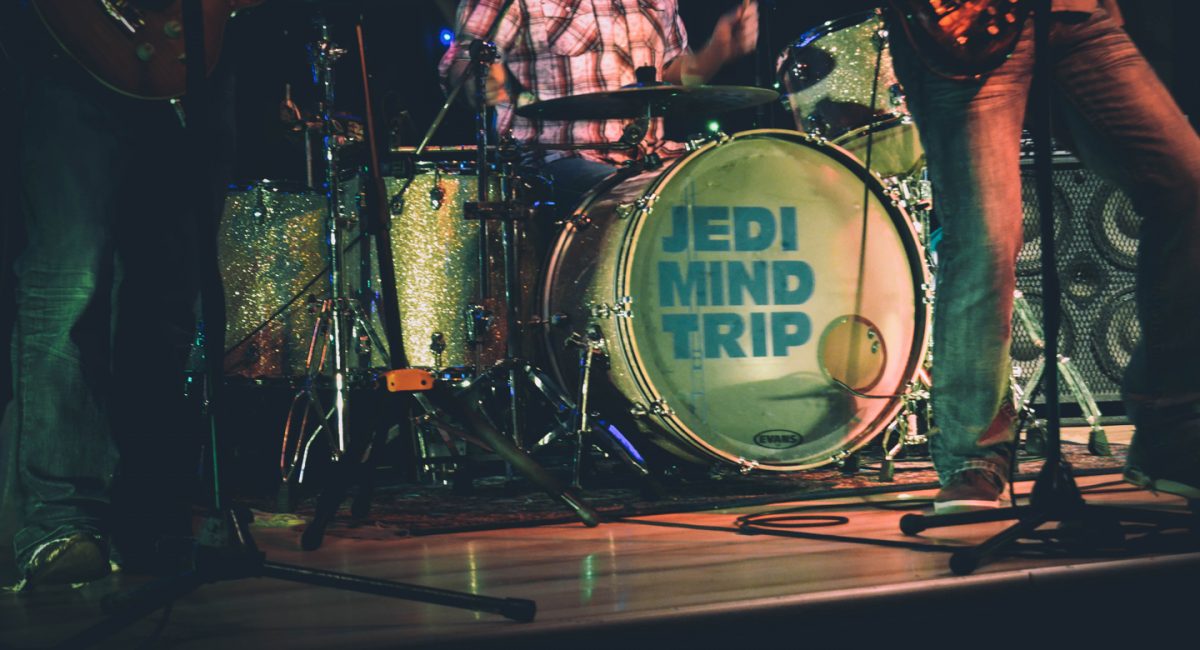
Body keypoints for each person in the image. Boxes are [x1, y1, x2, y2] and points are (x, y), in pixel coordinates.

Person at [886, 0, 1200, 512]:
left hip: (1072, 15)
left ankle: (1170, 428)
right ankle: (972, 457)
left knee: (1187, 185)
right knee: (986, 237)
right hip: (962, 25)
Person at [0, 5, 236, 589]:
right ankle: (60, 523)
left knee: (168, 299)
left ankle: (149, 518)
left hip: (192, 68)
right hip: (70, 51)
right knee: (70, 283)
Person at [438, 0, 759, 212]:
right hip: (556, 160)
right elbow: (464, 56)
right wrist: (478, 77)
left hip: (648, 157)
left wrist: (716, 53)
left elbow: (671, 75)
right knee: (642, 198)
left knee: (741, 185)